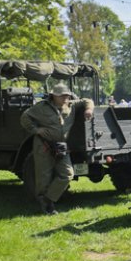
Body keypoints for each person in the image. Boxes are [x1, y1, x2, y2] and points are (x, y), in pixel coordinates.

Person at [20, 83, 94, 214]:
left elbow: (88, 100)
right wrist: (36, 130)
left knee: (67, 174)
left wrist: (88, 109)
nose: (66, 98)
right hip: (43, 145)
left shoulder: (71, 105)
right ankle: (47, 206)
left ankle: (48, 199)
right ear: (54, 96)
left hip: (60, 146)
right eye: (62, 96)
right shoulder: (41, 107)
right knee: (44, 177)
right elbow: (25, 117)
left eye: (67, 95)